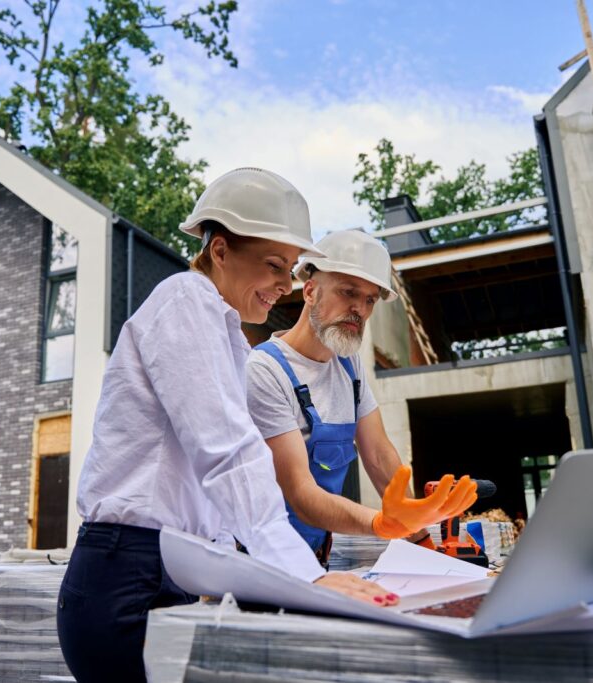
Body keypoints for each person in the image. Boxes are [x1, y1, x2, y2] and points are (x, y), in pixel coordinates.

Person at [57, 169, 412, 682]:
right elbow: (228, 454)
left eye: (291, 268)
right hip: (123, 577)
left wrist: (235, 571)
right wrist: (305, 577)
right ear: (219, 250)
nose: (285, 285)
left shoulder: (229, 336)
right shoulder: (184, 303)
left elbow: (208, 487)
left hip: (167, 570)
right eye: (273, 266)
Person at [246, 229, 478, 566]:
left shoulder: (348, 364)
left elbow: (379, 456)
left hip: (314, 557)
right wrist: (381, 524)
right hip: (260, 562)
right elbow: (300, 493)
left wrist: (418, 532)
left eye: (370, 299)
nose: (360, 309)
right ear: (310, 291)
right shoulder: (265, 371)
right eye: (348, 292)